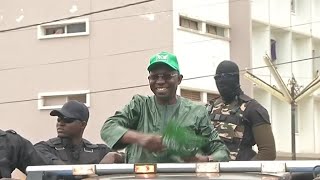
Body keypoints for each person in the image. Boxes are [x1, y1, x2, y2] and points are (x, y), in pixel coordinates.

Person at [100, 51, 230, 163]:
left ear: (179, 79)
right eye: (155, 77)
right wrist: (141, 138)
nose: (160, 81)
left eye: (167, 76)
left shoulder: (196, 112)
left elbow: (222, 152)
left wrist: (205, 160)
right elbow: (108, 128)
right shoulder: (139, 105)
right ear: (149, 79)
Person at [207, 60, 276, 161]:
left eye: (226, 77)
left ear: (236, 79)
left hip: (238, 172)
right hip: (210, 172)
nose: (221, 81)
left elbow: (267, 153)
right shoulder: (210, 108)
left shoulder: (253, 109)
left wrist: (245, 171)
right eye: (217, 78)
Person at [35, 100, 123, 165]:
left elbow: (132, 158)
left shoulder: (99, 152)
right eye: (59, 120)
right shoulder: (44, 148)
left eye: (67, 120)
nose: (60, 124)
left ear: (82, 124)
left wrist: (115, 156)